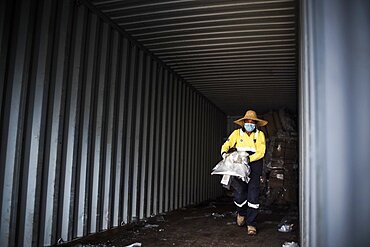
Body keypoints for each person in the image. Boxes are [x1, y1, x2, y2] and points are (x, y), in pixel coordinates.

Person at [221, 110, 268, 235]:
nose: (250, 124)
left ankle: (251, 224)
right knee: (240, 192)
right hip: (239, 164)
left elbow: (261, 152)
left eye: (252, 122)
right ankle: (241, 212)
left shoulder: (260, 135)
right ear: (243, 122)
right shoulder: (236, 133)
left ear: (255, 124)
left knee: (253, 194)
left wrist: (248, 159)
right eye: (248, 121)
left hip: (254, 164)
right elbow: (227, 144)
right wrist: (224, 153)